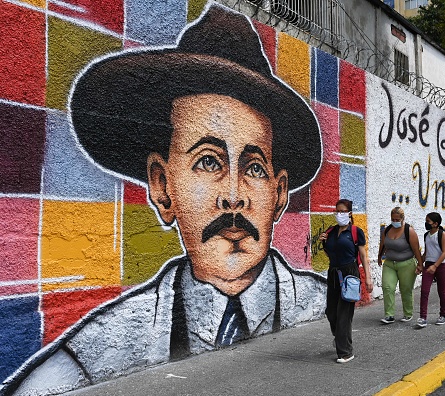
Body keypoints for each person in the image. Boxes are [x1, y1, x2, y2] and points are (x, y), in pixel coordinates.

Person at [2, 4, 327, 395]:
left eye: (254, 167)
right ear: (162, 186)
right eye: (208, 161)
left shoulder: (323, 304)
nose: (233, 197)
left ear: (278, 196)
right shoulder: (100, 349)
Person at [320, 199, 373, 364]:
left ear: (349, 213)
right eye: (337, 211)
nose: (339, 214)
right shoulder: (331, 231)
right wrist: (323, 242)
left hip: (350, 273)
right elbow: (331, 253)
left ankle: (346, 352)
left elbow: (363, 256)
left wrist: (368, 278)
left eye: (342, 211)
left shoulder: (356, 232)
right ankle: (340, 337)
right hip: (334, 273)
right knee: (331, 311)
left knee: (344, 314)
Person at [377, 207, 423, 324]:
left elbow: (416, 249)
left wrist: (420, 264)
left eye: (397, 219)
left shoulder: (409, 231)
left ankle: (408, 313)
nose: (395, 221)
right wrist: (379, 257)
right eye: (393, 219)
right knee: (387, 287)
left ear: (403, 218)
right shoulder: (387, 230)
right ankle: (389, 315)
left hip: (406, 263)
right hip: (389, 263)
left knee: (406, 289)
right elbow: (383, 244)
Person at [417, 212, 445, 328]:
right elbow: (426, 252)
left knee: (442, 291)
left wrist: (435, 266)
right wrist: (420, 264)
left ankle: (443, 315)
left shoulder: (442, 234)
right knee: (424, 291)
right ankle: (423, 317)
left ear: (435, 224)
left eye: (428, 222)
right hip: (428, 264)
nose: (426, 224)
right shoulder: (426, 235)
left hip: (440, 265)